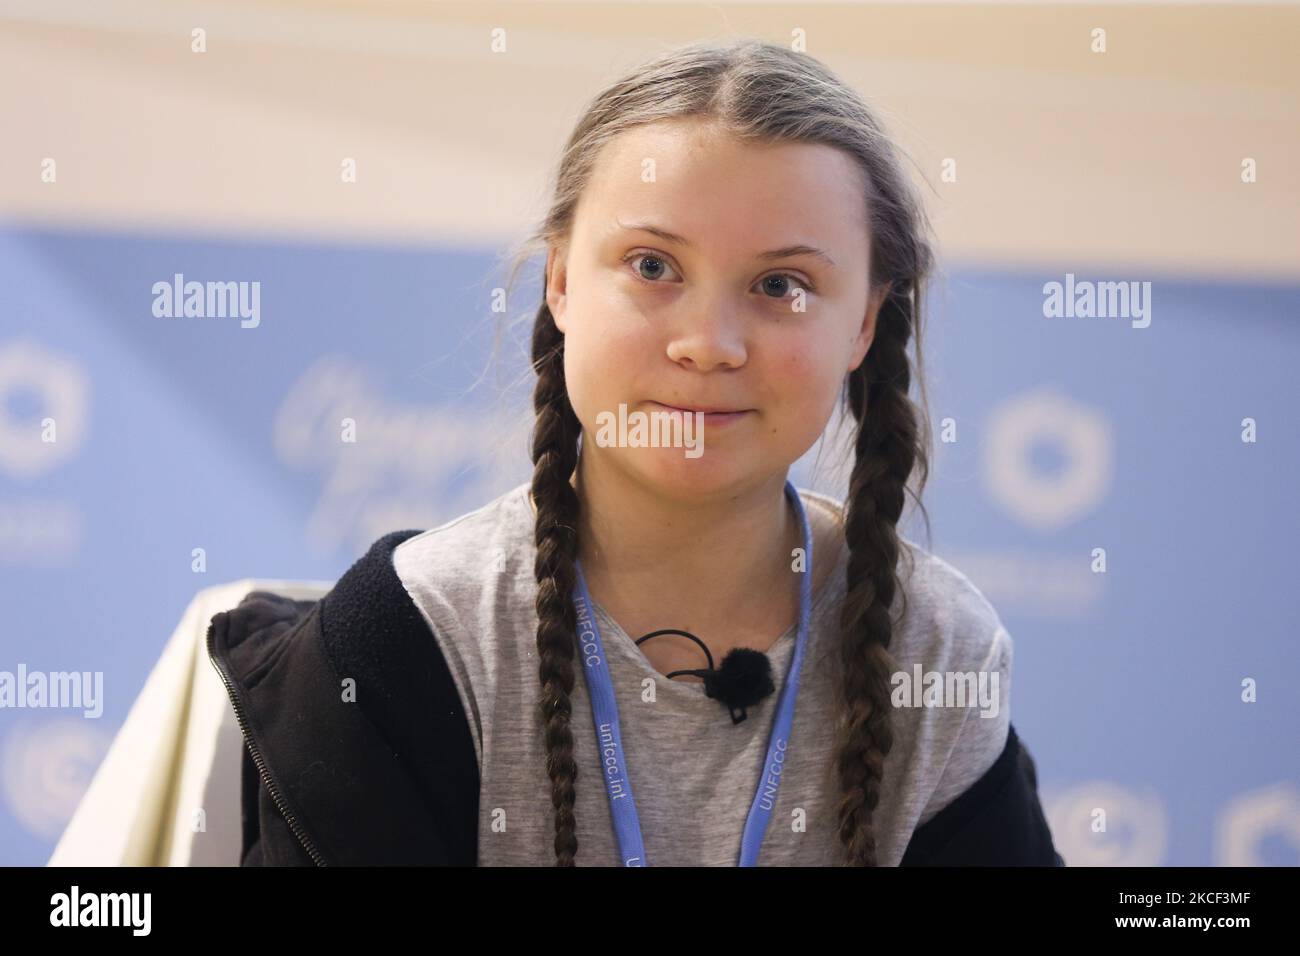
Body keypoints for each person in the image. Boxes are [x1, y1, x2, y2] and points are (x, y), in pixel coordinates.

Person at [208, 37, 1063, 867]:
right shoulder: (404, 640)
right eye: (653, 265)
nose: (709, 343)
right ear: (563, 281)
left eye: (781, 286)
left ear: (864, 325)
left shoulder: (937, 649)